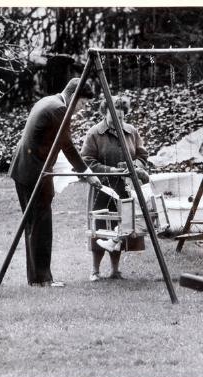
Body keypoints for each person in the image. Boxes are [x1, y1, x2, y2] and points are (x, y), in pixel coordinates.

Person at [8, 78, 101, 287]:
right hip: (35, 173)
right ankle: (43, 279)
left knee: (33, 225)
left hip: (23, 170)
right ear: (74, 97)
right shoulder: (59, 109)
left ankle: (36, 278)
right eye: (82, 104)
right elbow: (67, 146)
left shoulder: (48, 101)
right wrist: (87, 173)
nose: (81, 110)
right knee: (41, 225)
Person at [81, 95, 149, 282]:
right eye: (114, 119)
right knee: (101, 227)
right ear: (105, 113)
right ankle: (95, 271)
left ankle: (115, 270)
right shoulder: (95, 133)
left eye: (121, 118)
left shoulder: (131, 131)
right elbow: (86, 162)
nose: (118, 123)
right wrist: (111, 170)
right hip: (102, 188)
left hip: (124, 189)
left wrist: (135, 165)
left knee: (122, 227)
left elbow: (143, 156)